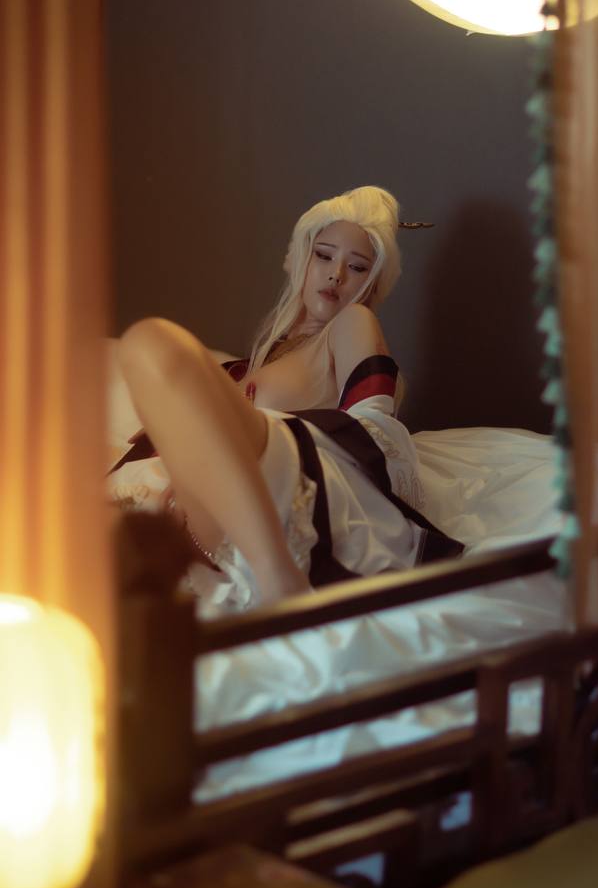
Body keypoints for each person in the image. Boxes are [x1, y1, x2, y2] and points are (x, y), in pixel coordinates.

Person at [117, 186, 456, 613]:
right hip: (203, 515)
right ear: (299, 259)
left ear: (372, 284)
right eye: (324, 256)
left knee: (151, 341)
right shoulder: (251, 365)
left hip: (285, 495)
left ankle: (280, 580)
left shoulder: (352, 322)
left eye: (357, 267)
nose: (336, 275)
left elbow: (377, 433)